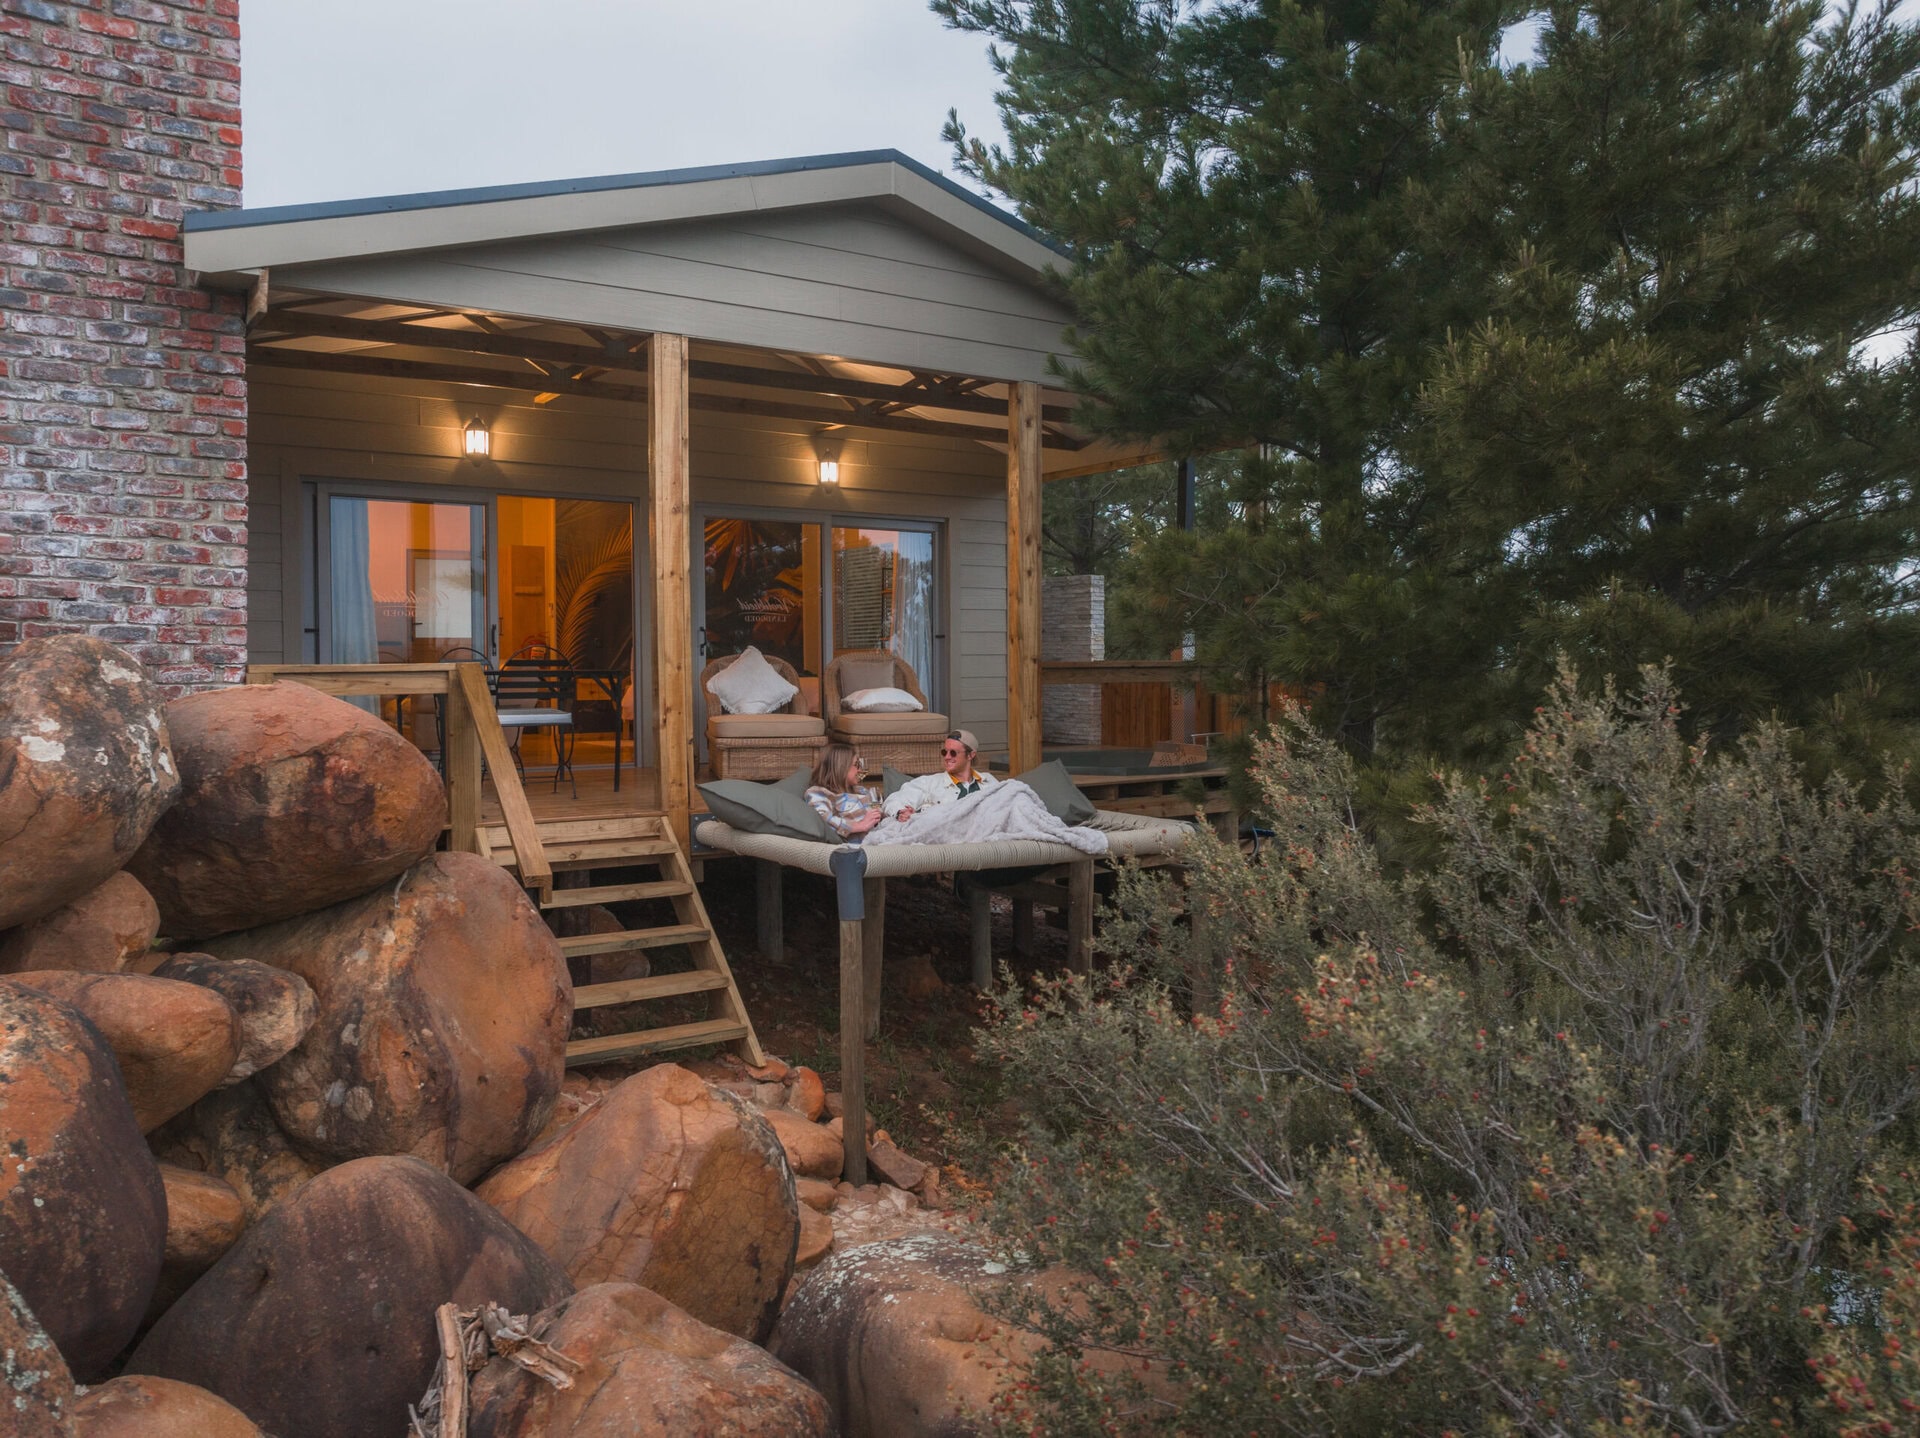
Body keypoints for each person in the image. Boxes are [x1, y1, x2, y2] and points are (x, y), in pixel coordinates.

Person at [883, 729, 999, 822]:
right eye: (945, 752)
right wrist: (901, 812)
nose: (947, 757)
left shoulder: (989, 781)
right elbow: (893, 800)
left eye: (953, 753)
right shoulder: (930, 783)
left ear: (970, 755)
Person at [803, 742, 884, 839]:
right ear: (841, 767)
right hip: (867, 843)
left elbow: (879, 811)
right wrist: (858, 826)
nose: (859, 770)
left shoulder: (861, 790)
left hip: (884, 831)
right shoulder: (819, 793)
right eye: (856, 765)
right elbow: (820, 820)